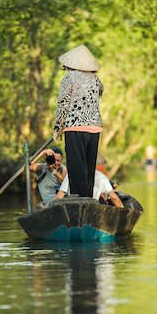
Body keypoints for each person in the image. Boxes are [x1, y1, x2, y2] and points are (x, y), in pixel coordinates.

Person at [52, 44, 103, 199]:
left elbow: (63, 103)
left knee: (76, 168)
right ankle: (88, 200)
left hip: (75, 128)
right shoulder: (95, 79)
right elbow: (100, 92)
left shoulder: (69, 77)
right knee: (88, 169)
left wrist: (57, 128)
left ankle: (78, 201)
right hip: (94, 128)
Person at [54, 169, 124, 208]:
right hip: (92, 208)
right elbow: (113, 197)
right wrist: (124, 212)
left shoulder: (71, 174)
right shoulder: (101, 176)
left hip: (73, 208)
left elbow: (59, 197)